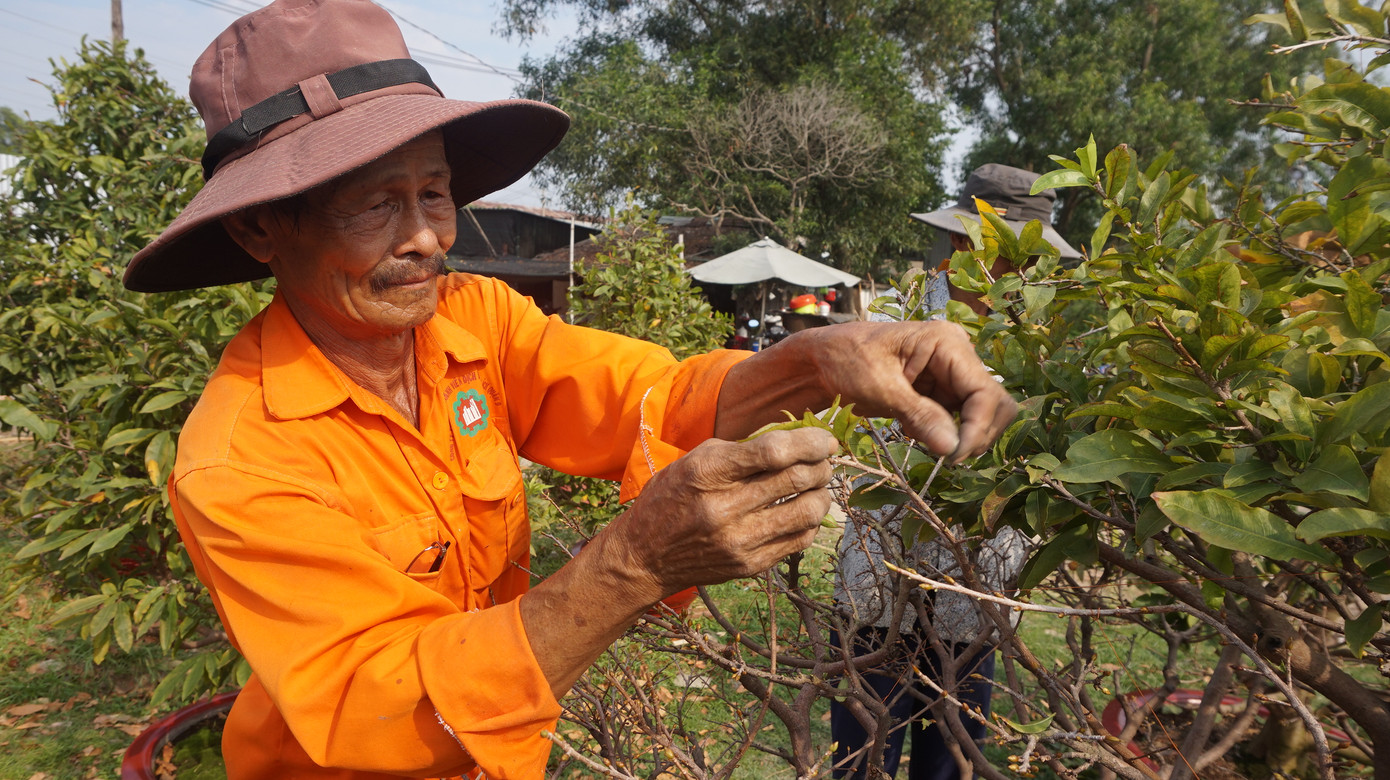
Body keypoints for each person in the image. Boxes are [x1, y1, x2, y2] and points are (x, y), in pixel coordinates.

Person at [122, 2, 1017, 778]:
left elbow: (649, 402)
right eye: (375, 206)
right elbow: (379, 708)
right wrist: (632, 564)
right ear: (258, 228)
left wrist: (818, 361)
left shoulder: (473, 322)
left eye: (435, 194)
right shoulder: (242, 459)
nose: (428, 239)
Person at [829, 164, 1079, 780]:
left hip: (979, 584)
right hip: (878, 578)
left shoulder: (1050, 340)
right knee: (862, 756)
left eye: (1029, 257)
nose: (1019, 270)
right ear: (965, 244)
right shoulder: (895, 319)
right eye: (1004, 250)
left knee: (953, 757)